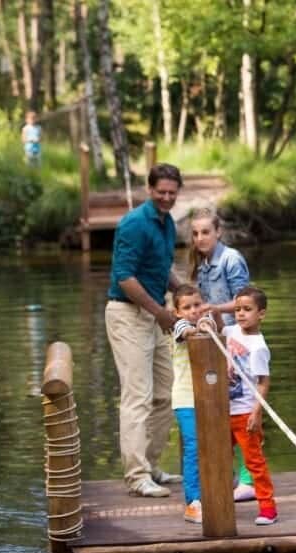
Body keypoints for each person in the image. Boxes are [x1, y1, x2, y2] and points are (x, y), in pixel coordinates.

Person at [106, 163, 185, 497]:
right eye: (160, 192)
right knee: (137, 396)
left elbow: (162, 268)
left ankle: (151, 466)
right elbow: (125, 278)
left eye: (172, 192)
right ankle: (136, 476)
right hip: (128, 314)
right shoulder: (134, 224)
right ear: (149, 190)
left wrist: (185, 295)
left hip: (155, 314)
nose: (166, 197)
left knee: (166, 393)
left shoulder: (167, 224)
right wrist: (161, 312)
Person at [188, 208, 256, 502]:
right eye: (195, 233)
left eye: (206, 232)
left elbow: (245, 303)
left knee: (242, 412)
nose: (200, 238)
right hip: (215, 344)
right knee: (220, 414)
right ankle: (227, 475)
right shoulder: (201, 264)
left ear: (218, 233)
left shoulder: (230, 259)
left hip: (237, 345)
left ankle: (249, 479)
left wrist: (216, 310)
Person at [223, 286, 278, 525]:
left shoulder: (258, 347)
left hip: (245, 412)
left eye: (247, 309)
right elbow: (215, 327)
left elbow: (264, 382)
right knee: (218, 458)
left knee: (254, 461)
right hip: (223, 410)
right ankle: (217, 501)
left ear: (261, 314)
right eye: (237, 309)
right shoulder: (232, 331)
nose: (241, 314)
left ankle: (268, 508)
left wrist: (256, 412)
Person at [171, 283, 221, 524]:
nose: (193, 310)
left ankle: (215, 492)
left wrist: (207, 321)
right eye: (187, 307)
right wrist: (197, 326)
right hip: (185, 399)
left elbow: (210, 325)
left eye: (197, 305)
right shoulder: (179, 327)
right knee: (193, 447)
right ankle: (193, 502)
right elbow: (187, 332)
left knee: (215, 445)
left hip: (210, 397)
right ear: (177, 312)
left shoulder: (207, 322)